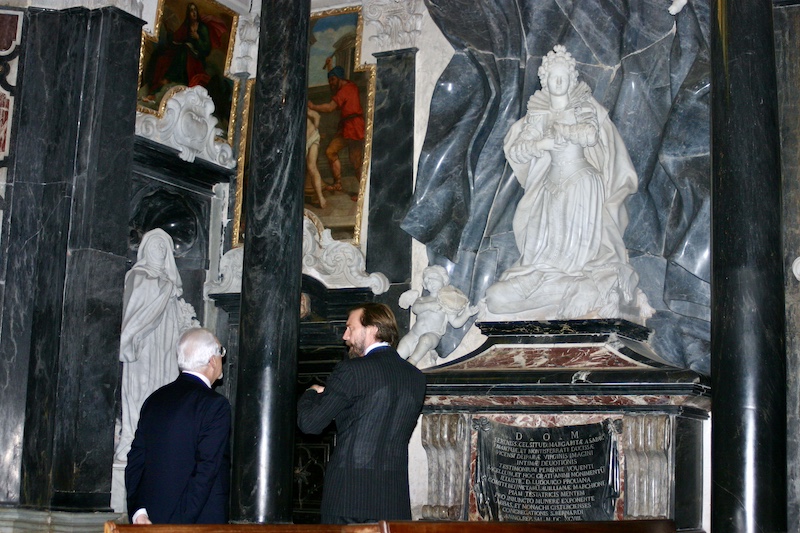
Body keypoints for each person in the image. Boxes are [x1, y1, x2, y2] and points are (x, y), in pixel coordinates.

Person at [485, 45, 648, 320]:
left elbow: (591, 135)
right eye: (552, 77)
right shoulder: (537, 112)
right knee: (522, 263)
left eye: (563, 77)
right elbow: (519, 149)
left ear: (572, 80)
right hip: (550, 186)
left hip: (582, 183)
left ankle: (582, 278)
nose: (558, 82)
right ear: (544, 80)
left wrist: (565, 130)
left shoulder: (583, 105)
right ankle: (549, 278)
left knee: (579, 249)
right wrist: (540, 142)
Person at [297, 303, 427, 524]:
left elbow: (310, 424)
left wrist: (310, 393)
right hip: (393, 503)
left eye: (350, 328)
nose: (345, 336)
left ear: (373, 329)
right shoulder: (416, 377)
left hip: (349, 499)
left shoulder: (352, 370)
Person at [125, 327, 231, 525]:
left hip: (150, 519)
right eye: (221, 352)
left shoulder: (154, 400)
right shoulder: (215, 405)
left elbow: (136, 460)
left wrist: (138, 511)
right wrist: (177, 525)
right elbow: (206, 471)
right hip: (196, 523)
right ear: (212, 360)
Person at [115, 228, 199, 464]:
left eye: (164, 247)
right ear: (145, 249)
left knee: (164, 388)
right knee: (141, 390)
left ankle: (161, 438)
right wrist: (164, 291)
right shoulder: (138, 276)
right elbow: (135, 314)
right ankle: (133, 437)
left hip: (165, 350)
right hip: (144, 347)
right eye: (155, 245)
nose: (159, 250)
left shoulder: (170, 285)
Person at [397, 265, 480, 367]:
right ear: (425, 285)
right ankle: (394, 365)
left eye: (434, 278)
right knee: (403, 346)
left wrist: (466, 314)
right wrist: (428, 306)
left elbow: (455, 323)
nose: (431, 282)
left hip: (433, 335)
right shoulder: (422, 300)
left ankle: (411, 363)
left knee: (425, 340)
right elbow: (415, 309)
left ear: (444, 281)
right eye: (427, 280)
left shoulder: (446, 303)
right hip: (414, 334)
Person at [307, 60, 365, 201]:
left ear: (340, 78)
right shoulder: (342, 85)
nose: (331, 83)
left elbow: (330, 108)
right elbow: (334, 77)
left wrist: (313, 106)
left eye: (332, 80)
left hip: (354, 126)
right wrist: (329, 67)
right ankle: (338, 183)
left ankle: (364, 193)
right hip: (346, 126)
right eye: (329, 80)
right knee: (330, 151)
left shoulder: (347, 89)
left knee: (356, 161)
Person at [143, 2, 212, 102]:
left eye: (195, 10)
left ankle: (168, 78)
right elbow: (176, 39)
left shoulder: (202, 28)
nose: (194, 13)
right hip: (184, 53)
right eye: (191, 11)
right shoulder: (186, 26)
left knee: (184, 49)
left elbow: (206, 49)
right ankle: (153, 91)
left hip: (197, 58)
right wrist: (170, 33)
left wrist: (198, 38)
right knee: (161, 56)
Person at [306, 108, 327, 208]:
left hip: (312, 137)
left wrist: (315, 127)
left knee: (312, 167)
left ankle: (320, 197)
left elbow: (317, 116)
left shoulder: (303, 109)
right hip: (301, 143)